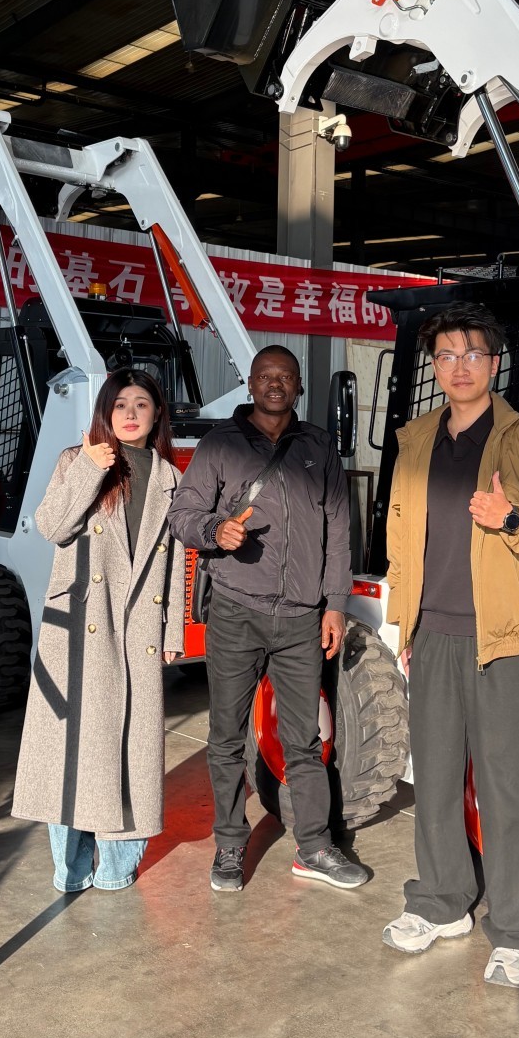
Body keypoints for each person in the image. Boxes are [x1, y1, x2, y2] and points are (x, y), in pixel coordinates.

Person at [381, 303, 519, 988]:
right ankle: (441, 904)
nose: (459, 366)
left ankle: (517, 929)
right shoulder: (415, 439)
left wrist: (513, 518)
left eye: (472, 354)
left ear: (495, 363)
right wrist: (403, 623)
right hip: (432, 631)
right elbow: (402, 538)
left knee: (510, 788)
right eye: (446, 356)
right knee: (435, 777)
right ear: (434, 367)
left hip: (504, 639)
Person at [169, 344, 368, 893]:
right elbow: (182, 514)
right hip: (236, 610)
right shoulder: (220, 445)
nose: (275, 384)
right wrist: (217, 532)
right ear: (250, 384)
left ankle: (315, 847)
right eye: (265, 376)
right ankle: (230, 847)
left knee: (304, 740)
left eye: (286, 377)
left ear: (298, 387)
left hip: (303, 619)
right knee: (227, 736)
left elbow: (337, 531)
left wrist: (334, 605)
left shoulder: (318, 447)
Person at [13, 369, 185, 893]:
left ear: (157, 415)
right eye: (120, 405)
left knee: (133, 748)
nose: (131, 414)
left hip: (137, 626)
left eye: (142, 404)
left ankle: (115, 868)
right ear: (105, 414)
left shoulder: (167, 477)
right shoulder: (76, 459)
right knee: (75, 749)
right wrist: (90, 467)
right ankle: (70, 868)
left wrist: (172, 627)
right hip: (81, 625)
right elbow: (52, 526)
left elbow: (175, 558)